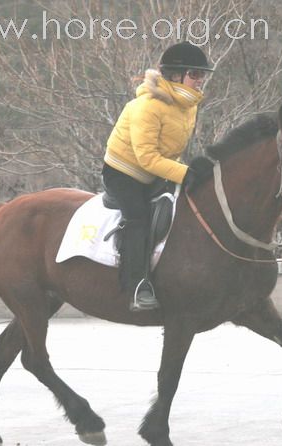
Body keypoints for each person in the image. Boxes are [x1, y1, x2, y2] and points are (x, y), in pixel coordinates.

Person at [102, 41, 214, 311]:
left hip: (156, 169)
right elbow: (147, 158)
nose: (201, 80)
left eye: (202, 75)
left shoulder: (188, 104)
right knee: (138, 218)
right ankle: (137, 285)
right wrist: (186, 173)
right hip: (123, 172)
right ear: (176, 76)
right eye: (195, 74)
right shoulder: (148, 106)